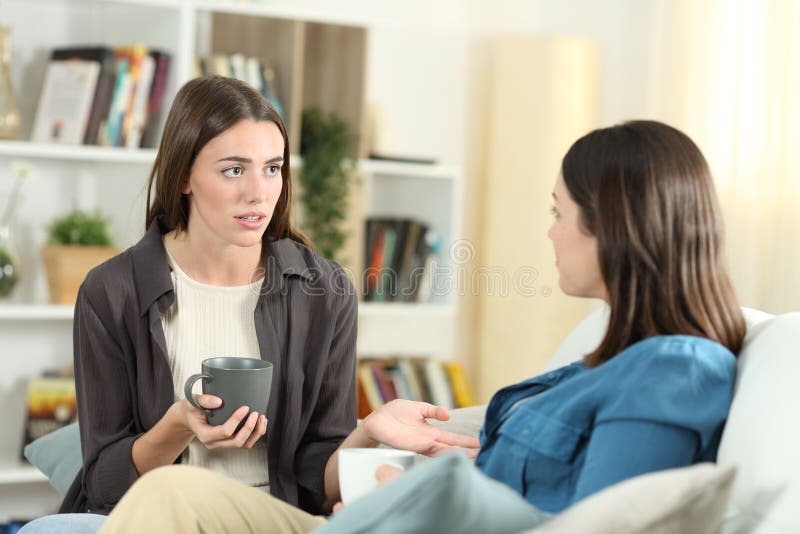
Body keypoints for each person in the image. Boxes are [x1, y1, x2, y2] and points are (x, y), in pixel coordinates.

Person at [88, 119, 746, 533]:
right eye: (234, 170)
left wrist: (415, 500)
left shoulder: (673, 372)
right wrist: (387, 463)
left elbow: (590, 520)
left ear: (618, 229)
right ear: (185, 182)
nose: (550, 231)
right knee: (174, 493)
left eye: (560, 213)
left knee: (174, 498)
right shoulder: (605, 364)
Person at [18, 75, 479, 534]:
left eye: (272, 168)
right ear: (183, 178)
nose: (258, 192)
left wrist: (370, 431)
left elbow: (320, 475)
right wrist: (179, 422)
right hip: (158, 516)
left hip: (270, 518)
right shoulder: (113, 291)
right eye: (234, 170)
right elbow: (103, 481)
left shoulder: (324, 290)